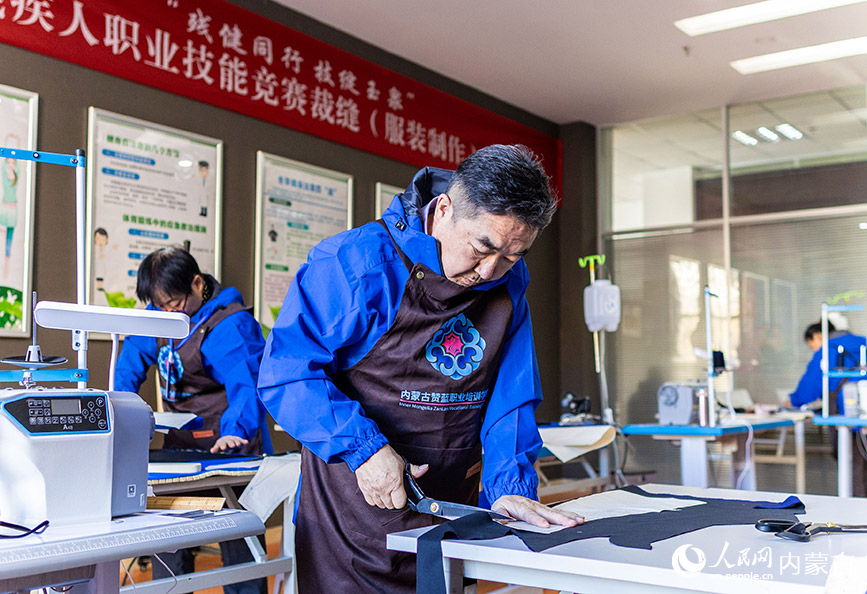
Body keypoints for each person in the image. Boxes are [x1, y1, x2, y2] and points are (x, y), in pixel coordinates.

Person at [257, 144, 582, 593]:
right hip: (354, 508)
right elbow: (286, 375)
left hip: (451, 510)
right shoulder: (355, 264)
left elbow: (511, 396)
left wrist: (509, 485)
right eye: (481, 248)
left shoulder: (507, 286)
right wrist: (365, 450)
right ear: (444, 208)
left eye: (512, 256)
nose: (488, 271)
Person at [115, 246, 271, 593]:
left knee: (238, 548)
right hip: (181, 447)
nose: (165, 311)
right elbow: (127, 368)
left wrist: (235, 433)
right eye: (158, 305)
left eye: (172, 303)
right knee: (168, 544)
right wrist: (122, 414)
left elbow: (248, 386)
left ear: (198, 284)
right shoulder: (158, 315)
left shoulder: (230, 323)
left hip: (228, 445)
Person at [789, 320, 867, 496]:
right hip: (863, 417)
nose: (814, 350)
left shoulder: (827, 350)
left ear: (817, 336)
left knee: (854, 467)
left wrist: (793, 401)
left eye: (812, 345)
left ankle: (856, 514)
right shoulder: (863, 341)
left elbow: (809, 389)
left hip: (847, 419)